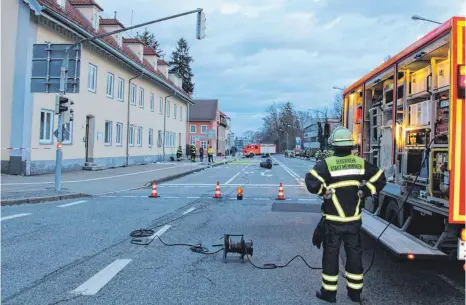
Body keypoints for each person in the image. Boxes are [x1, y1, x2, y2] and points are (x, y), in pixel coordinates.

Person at [305, 126, 386, 303]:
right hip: (353, 221)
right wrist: (365, 190)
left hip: (333, 222)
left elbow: (310, 180)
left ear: (333, 145)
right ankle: (355, 293)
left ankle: (329, 294)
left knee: (331, 256)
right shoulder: (359, 163)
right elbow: (380, 178)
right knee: (355, 256)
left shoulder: (327, 164)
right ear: (351, 145)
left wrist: (323, 191)